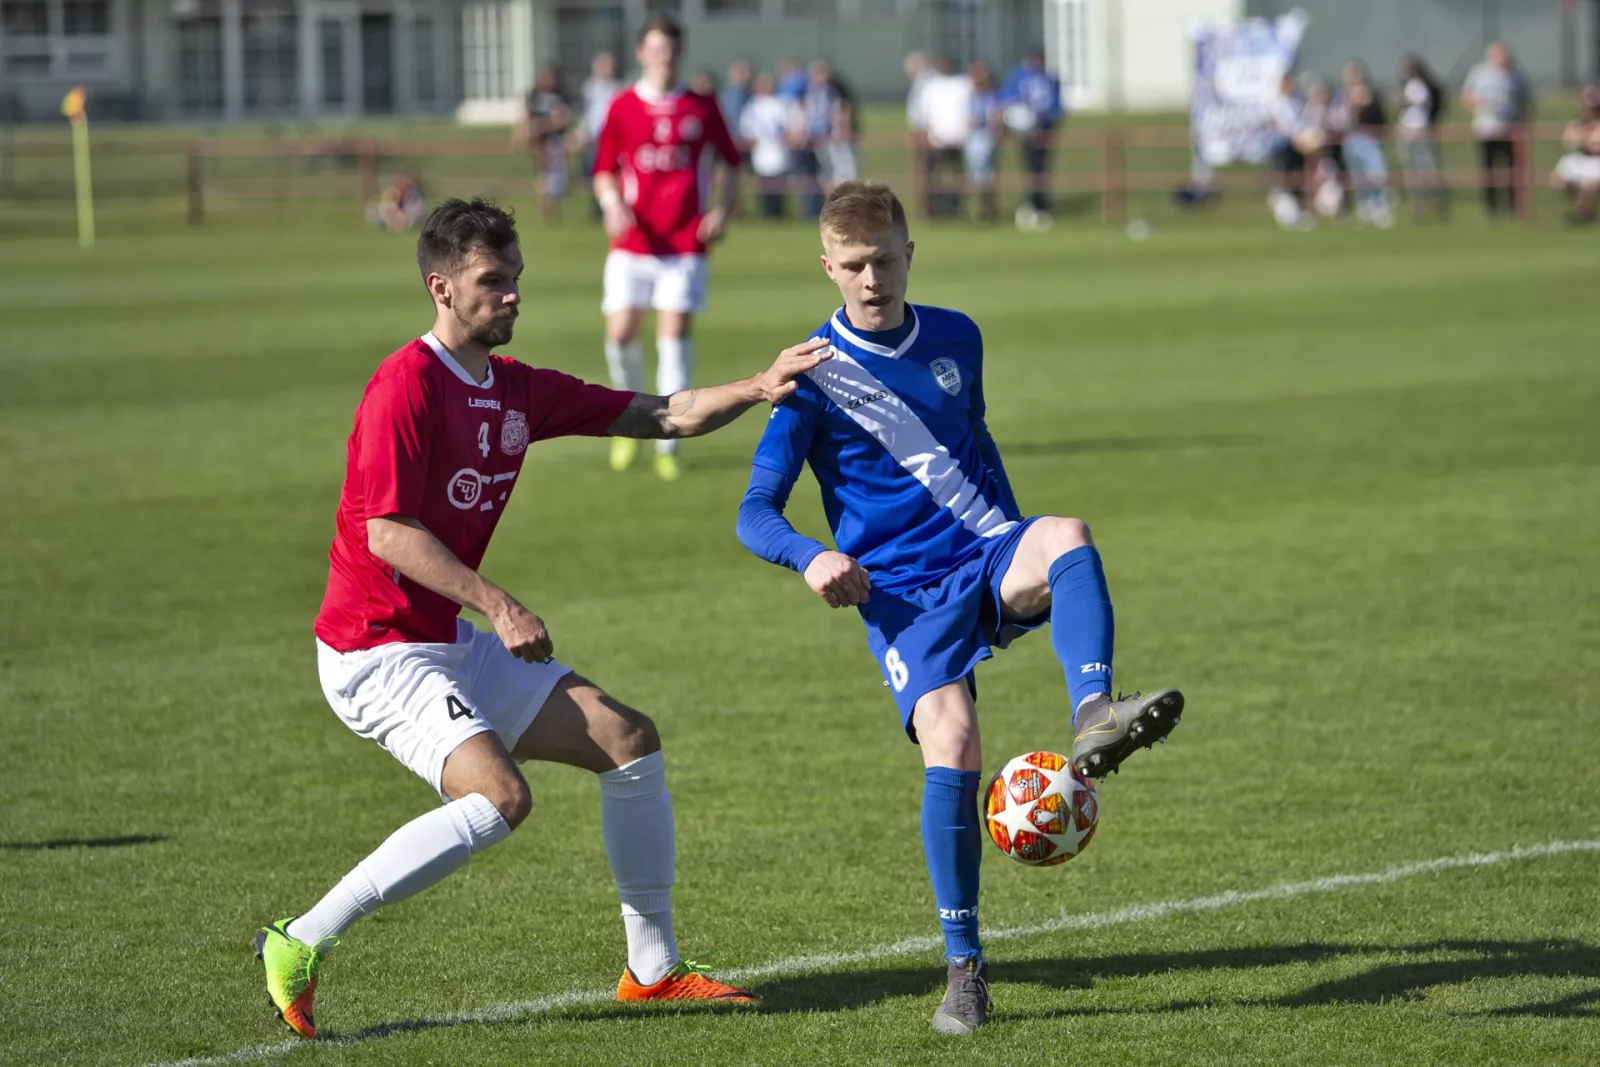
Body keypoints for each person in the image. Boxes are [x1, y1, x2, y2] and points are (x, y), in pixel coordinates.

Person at [253, 198, 832, 1040]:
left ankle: (653, 970)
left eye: (517, 277)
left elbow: (661, 413)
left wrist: (756, 384)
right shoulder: (405, 386)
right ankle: (300, 938)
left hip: (444, 640)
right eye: (494, 281)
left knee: (627, 738)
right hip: (376, 648)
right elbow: (387, 533)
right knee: (501, 797)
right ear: (441, 287)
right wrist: (498, 602)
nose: (513, 295)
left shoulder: (517, 390)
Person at [735, 180, 1185, 1035]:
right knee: (955, 742)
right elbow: (754, 511)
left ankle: (1095, 712)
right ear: (827, 266)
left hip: (984, 552)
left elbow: (976, 438)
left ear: (911, 254)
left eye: (884, 260)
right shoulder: (809, 377)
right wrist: (811, 555)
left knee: (1065, 534)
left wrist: (1013, 533)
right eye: (853, 265)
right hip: (900, 593)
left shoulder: (957, 336)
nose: (871, 279)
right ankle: (965, 970)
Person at [592, 16, 742, 482]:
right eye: (656, 49)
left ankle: (668, 442)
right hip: (633, 241)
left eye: (671, 50)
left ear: (680, 53)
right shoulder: (622, 106)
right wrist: (612, 205)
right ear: (642, 53)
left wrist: (723, 210)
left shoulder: (701, 105)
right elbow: (603, 171)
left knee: (673, 336)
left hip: (684, 243)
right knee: (620, 335)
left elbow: (732, 162)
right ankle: (629, 419)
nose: (664, 58)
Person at [1462, 41, 1531, 218]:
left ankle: (1513, 206)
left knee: (1511, 169)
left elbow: (1525, 101)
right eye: (1498, 54)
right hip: (1486, 128)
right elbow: (1466, 96)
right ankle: (1491, 207)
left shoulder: (1516, 76)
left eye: (1504, 54)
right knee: (1488, 168)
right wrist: (1481, 105)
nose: (1501, 58)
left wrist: (1523, 123)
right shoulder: (1479, 73)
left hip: (1510, 129)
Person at [999, 47, 1063, 232]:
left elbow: (1056, 106)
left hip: (1044, 130)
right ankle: (1033, 205)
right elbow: (1008, 99)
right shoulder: (1018, 76)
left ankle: (1040, 205)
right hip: (1025, 132)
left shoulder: (1049, 78)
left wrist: (1046, 122)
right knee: (1031, 169)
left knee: (1041, 168)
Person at [1396, 54, 1449, 222]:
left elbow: (1407, 102)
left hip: (1421, 131)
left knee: (1427, 170)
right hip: (1407, 130)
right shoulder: (1408, 85)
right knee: (1411, 171)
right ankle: (1418, 205)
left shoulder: (1421, 86)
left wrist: (1400, 100)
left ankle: (1438, 203)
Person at [517, 66, 571, 224]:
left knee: (555, 178)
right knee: (543, 178)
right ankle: (545, 213)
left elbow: (562, 118)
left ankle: (552, 213)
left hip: (555, 141)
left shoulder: (559, 96)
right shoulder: (535, 95)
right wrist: (525, 134)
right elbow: (526, 116)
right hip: (539, 143)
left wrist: (541, 126)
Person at [919, 58, 972, 218]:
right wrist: (928, 134)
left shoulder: (964, 83)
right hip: (936, 140)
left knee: (957, 175)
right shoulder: (931, 86)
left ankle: (955, 206)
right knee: (932, 176)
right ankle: (933, 208)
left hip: (959, 140)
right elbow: (924, 114)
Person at [741, 72, 798, 219]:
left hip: (778, 150)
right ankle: (766, 213)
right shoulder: (753, 106)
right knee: (764, 183)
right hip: (762, 151)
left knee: (778, 182)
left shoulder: (781, 103)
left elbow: (790, 125)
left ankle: (778, 212)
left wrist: (787, 137)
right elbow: (747, 129)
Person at [577, 53, 621, 222]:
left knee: (610, 173)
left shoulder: (618, 88)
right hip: (594, 138)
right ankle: (597, 208)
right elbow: (586, 114)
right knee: (594, 174)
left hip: (612, 138)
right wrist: (582, 133)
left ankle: (610, 207)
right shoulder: (589, 88)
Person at [1551, 85, 1600, 224]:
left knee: (1590, 185)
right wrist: (1586, 139)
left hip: (1596, 160)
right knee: (1558, 181)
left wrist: (1583, 138)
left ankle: (1580, 212)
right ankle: (1584, 210)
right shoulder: (1576, 121)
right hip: (1580, 159)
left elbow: (1595, 145)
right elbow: (1569, 141)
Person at [964, 61, 1002, 223]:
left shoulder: (993, 97)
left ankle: (987, 208)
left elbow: (996, 118)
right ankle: (978, 207)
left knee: (987, 174)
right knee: (976, 175)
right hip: (974, 139)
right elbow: (969, 120)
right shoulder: (970, 97)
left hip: (988, 139)